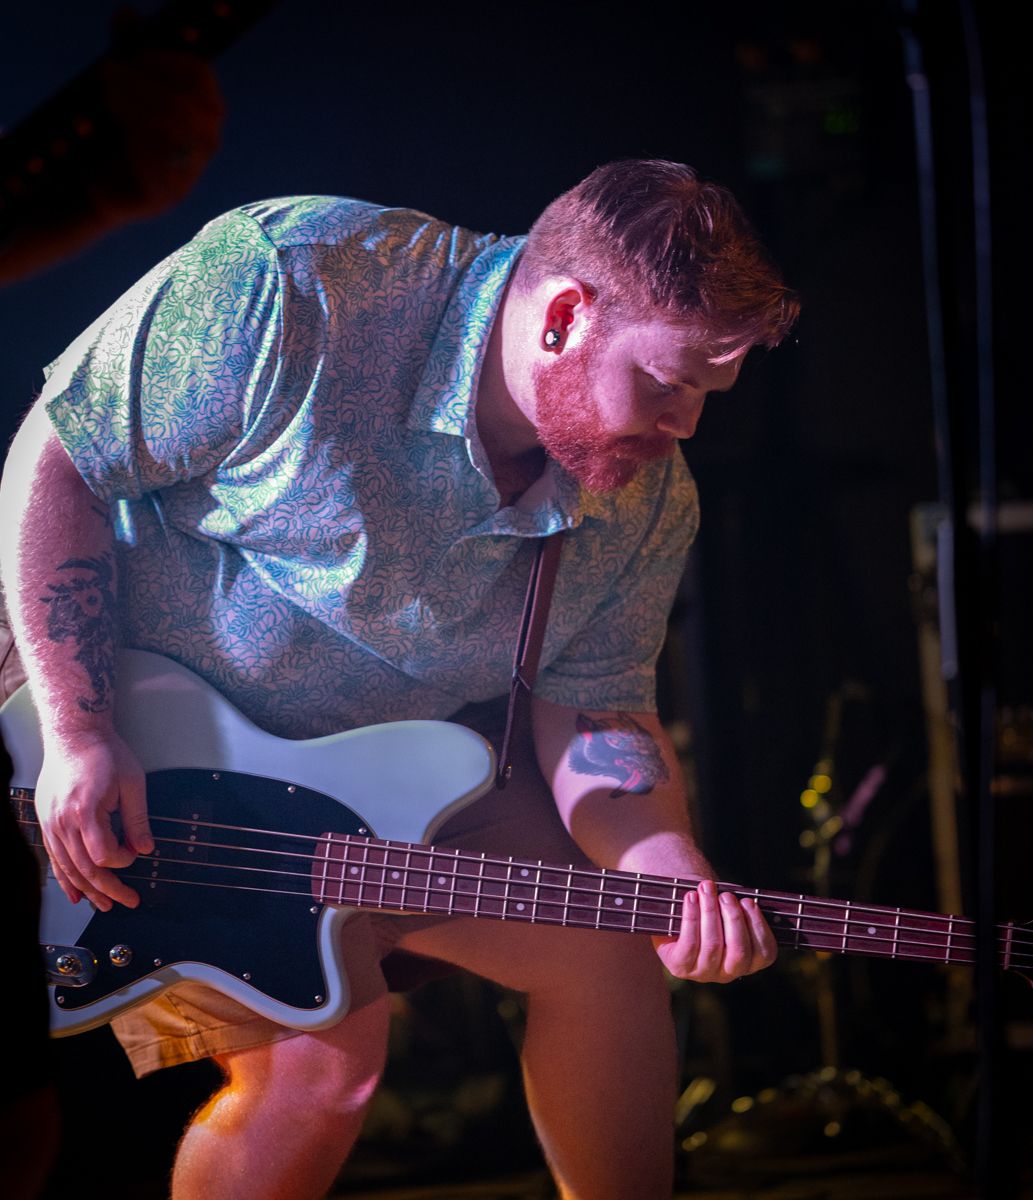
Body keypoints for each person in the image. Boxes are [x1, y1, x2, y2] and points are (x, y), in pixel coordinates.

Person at [0, 158, 798, 1200]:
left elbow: (596, 717)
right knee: (322, 1060)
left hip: (376, 781)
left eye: (706, 394)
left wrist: (670, 874)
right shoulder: (297, 284)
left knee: (608, 942)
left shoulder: (643, 500)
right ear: (563, 317)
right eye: (664, 383)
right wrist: (81, 731)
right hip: (139, 752)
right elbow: (57, 458)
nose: (684, 426)